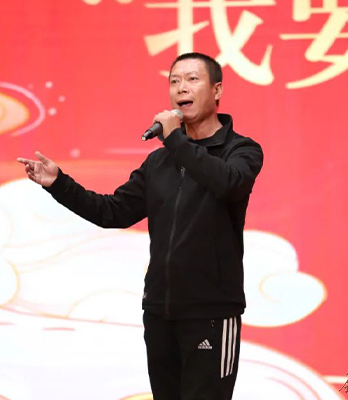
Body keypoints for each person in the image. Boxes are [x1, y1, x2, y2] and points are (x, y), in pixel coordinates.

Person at [17, 52, 263, 400]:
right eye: (174, 81)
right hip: (160, 312)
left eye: (192, 79)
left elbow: (227, 183)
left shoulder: (241, 151)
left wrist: (175, 140)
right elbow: (112, 212)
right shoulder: (159, 162)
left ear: (217, 90)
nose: (181, 88)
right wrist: (59, 184)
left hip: (211, 312)